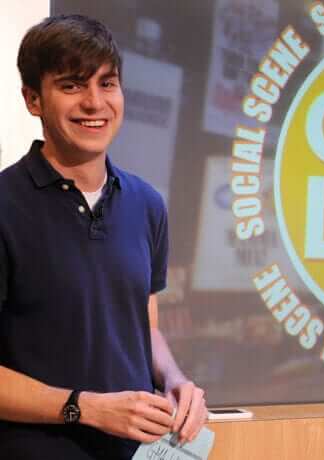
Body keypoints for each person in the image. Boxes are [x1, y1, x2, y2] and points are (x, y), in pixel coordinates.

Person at [0, 14, 207, 460]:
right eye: (73, 85)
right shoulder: (4, 205)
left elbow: (143, 325)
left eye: (107, 83)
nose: (95, 103)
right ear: (33, 99)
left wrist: (173, 378)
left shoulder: (147, 204)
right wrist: (84, 407)